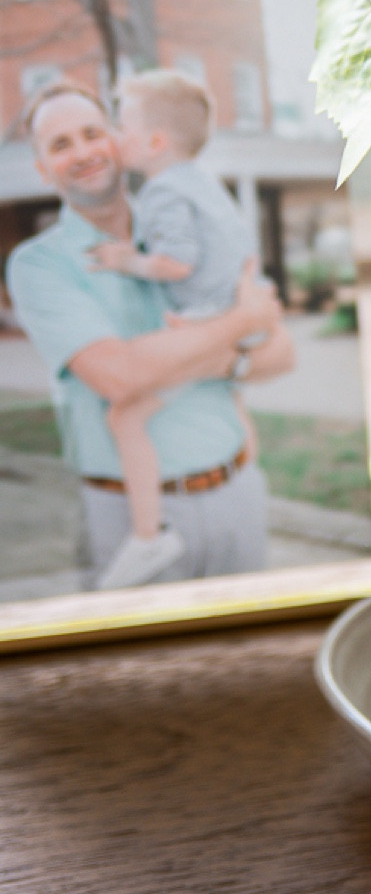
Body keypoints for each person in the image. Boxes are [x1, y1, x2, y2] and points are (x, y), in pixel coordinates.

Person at [4, 83, 294, 591]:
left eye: (93, 133)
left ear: (120, 140)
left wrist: (223, 354)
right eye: (61, 144)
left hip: (238, 496)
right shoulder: (37, 265)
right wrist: (235, 327)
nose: (83, 152)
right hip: (125, 514)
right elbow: (119, 378)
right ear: (43, 169)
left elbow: (282, 351)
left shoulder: (185, 218)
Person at [83, 69, 258, 588]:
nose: (115, 135)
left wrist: (125, 260)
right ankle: (249, 480)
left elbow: (177, 262)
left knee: (125, 415)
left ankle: (147, 536)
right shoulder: (203, 183)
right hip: (230, 313)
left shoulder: (162, 191)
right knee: (227, 394)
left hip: (204, 321)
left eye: (123, 125)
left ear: (156, 142)